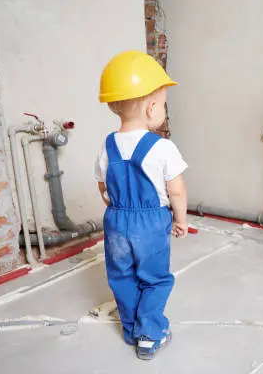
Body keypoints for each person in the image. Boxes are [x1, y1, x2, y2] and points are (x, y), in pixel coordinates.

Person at [95, 50, 189, 359]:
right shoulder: (162, 147)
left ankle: (130, 328)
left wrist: (119, 206)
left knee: (122, 275)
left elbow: (103, 187)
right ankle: (150, 333)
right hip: (149, 224)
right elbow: (176, 191)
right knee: (155, 277)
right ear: (151, 108)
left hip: (116, 222)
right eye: (162, 103)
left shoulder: (108, 145)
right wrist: (180, 219)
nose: (162, 108)